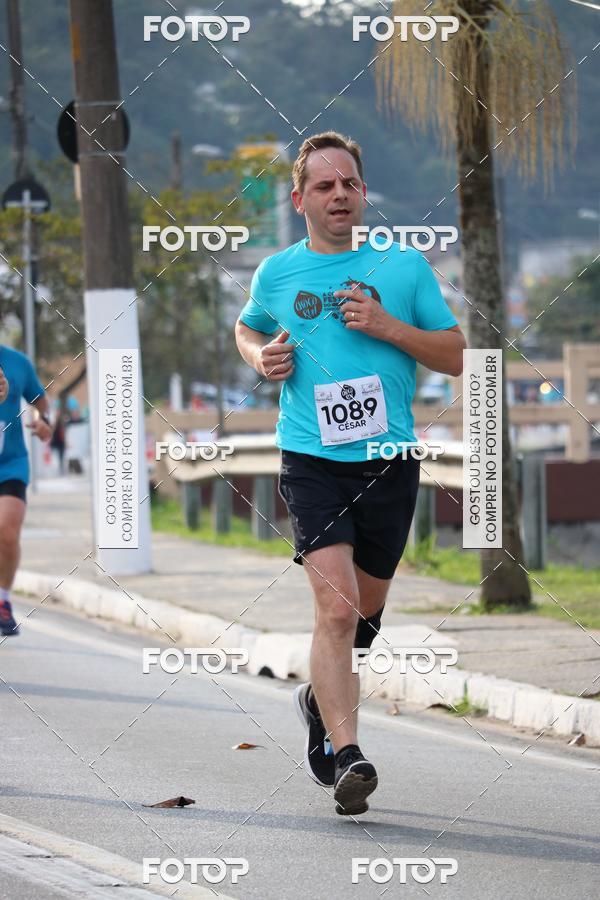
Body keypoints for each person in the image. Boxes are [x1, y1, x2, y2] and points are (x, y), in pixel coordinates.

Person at [235, 131, 466, 816]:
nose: (339, 195)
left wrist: (388, 327)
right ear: (300, 199)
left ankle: (316, 697)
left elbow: (455, 354)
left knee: (362, 618)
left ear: (363, 195)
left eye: (350, 185)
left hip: (389, 464)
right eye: (325, 186)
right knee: (334, 609)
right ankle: (348, 758)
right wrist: (259, 359)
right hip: (311, 461)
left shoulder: (404, 269)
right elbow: (247, 328)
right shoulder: (277, 273)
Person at [0, 346, 52, 637]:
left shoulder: (17, 362)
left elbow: (40, 400)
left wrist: (45, 422)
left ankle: (3, 600)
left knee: (7, 531)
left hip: (10, 463)